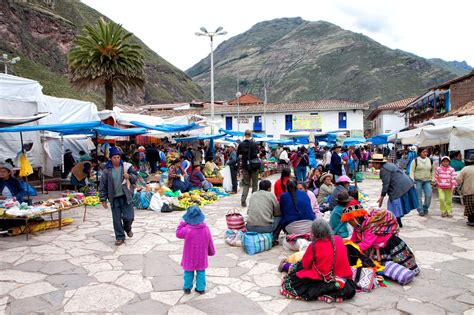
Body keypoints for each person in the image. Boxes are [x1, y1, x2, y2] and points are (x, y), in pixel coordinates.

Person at [279, 220, 356, 303]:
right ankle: (332, 295)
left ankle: (285, 266)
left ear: (314, 232)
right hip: (342, 280)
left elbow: (305, 265)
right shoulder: (338, 239)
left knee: (298, 271)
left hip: (322, 278)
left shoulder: (313, 246)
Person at [343, 207, 419, 274]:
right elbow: (353, 239)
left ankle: (403, 273)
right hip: (376, 245)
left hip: (388, 244)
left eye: (350, 221)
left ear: (355, 219)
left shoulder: (370, 228)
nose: (349, 223)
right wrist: (347, 244)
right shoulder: (358, 227)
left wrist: (351, 247)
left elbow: (365, 244)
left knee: (396, 265)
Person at [99, 147, 138, 246]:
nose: (117, 159)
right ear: (110, 158)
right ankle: (120, 237)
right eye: (114, 157)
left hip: (126, 196)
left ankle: (127, 228)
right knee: (116, 220)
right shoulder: (107, 170)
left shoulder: (127, 167)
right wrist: (103, 199)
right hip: (114, 198)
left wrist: (129, 176)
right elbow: (102, 185)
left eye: (118, 157)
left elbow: (136, 178)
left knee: (129, 217)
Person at [176, 205, 215, 294]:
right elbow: (210, 241)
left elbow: (178, 233)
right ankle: (200, 289)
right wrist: (211, 251)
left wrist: (183, 223)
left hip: (189, 256)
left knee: (188, 272)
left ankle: (187, 288)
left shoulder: (187, 230)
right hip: (201, 255)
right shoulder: (206, 229)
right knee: (201, 272)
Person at [371, 154, 418, 227]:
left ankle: (396, 221)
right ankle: (397, 221)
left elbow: (386, 184)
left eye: (373, 163)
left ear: (378, 163)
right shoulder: (388, 165)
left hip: (399, 186)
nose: (372, 165)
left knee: (394, 204)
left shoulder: (384, 169)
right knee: (394, 204)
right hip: (405, 183)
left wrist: (382, 197)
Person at [237, 130, 260, 207]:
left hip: (245, 167)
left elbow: (238, 155)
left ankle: (243, 201)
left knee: (246, 184)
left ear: (244, 135)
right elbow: (258, 153)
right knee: (255, 184)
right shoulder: (254, 144)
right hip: (254, 166)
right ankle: (253, 201)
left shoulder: (241, 144)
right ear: (251, 135)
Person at [410, 148, 434, 216]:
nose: (425, 153)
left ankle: (425, 207)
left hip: (427, 181)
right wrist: (412, 180)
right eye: (423, 152)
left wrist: (433, 180)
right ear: (420, 153)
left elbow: (433, 170)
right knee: (418, 196)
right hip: (418, 180)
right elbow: (411, 171)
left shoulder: (430, 160)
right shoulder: (415, 160)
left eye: (426, 152)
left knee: (429, 195)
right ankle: (420, 210)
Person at [456, 154, 474, 226]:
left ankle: (471, 221)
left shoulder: (465, 169)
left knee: (469, 207)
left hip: (468, 191)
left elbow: (458, 179)